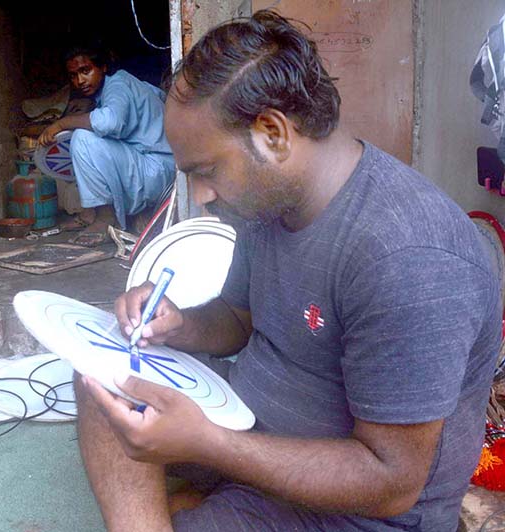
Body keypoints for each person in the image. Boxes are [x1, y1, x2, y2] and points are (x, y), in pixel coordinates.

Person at [73, 10, 501, 532]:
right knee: (100, 377)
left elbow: (390, 483)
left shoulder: (408, 255)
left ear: (273, 134)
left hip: (352, 510)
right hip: (245, 426)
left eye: (206, 172)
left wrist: (211, 445)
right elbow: (237, 316)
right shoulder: (267, 202)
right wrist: (179, 324)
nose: (201, 197)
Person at [38, 45, 175, 246]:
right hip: (160, 169)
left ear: (102, 67)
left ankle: (105, 218)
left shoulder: (117, 83)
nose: (80, 81)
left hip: (156, 169)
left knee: (83, 139)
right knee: (91, 138)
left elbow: (110, 122)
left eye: (86, 71)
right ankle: (93, 214)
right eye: (74, 75)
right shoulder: (128, 84)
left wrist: (61, 123)